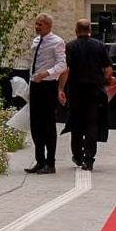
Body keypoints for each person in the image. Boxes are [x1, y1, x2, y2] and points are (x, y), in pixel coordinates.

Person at [60, 18, 113, 171]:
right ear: (90, 30)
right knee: (92, 124)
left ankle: (77, 155)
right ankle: (89, 158)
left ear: (76, 30)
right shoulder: (99, 46)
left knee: (76, 123)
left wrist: (61, 89)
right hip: (95, 91)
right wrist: (105, 80)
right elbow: (108, 70)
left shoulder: (70, 47)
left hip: (76, 90)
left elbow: (66, 69)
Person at [24, 14, 67, 174]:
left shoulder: (57, 42)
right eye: (36, 24)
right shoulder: (36, 41)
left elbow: (62, 64)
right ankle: (39, 160)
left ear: (49, 26)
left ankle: (51, 162)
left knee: (48, 124)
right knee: (36, 125)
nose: (37, 27)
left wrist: (47, 73)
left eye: (40, 24)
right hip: (35, 85)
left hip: (48, 85)